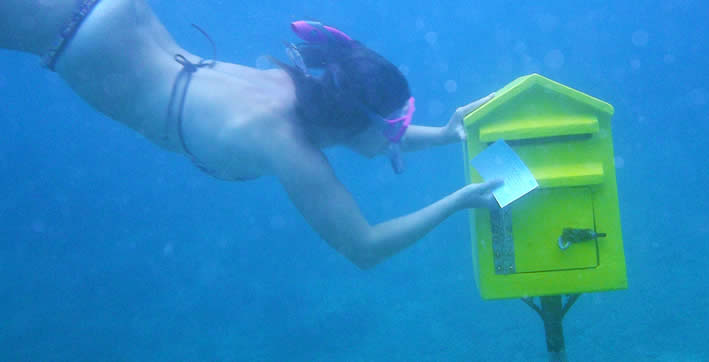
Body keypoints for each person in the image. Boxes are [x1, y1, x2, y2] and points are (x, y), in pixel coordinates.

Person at [0, 0, 503, 269]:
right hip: (69, 32)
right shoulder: (287, 144)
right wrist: (457, 202)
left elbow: (367, 134)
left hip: (107, 18)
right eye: (394, 126)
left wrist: (443, 134)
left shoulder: (305, 93)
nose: (395, 137)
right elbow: (364, 247)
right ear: (350, 121)